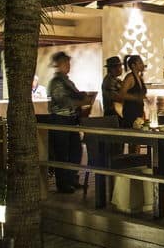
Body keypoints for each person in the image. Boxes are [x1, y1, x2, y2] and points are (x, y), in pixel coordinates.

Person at [48, 51, 91, 193]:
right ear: (58, 65)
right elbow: (63, 101)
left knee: (75, 150)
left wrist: (82, 98)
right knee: (62, 152)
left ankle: (72, 178)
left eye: (68, 63)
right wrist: (81, 101)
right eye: (65, 63)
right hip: (60, 119)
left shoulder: (67, 81)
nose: (68, 65)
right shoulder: (57, 82)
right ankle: (63, 183)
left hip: (70, 119)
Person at [120, 55, 148, 129]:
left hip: (139, 111)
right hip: (130, 112)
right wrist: (136, 97)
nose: (143, 65)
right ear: (133, 65)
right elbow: (121, 94)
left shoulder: (140, 78)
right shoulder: (130, 77)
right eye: (140, 63)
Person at [101, 56, 126, 123]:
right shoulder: (109, 81)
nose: (120, 69)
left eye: (120, 66)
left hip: (117, 113)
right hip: (113, 114)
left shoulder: (116, 80)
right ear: (111, 68)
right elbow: (116, 97)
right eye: (118, 67)